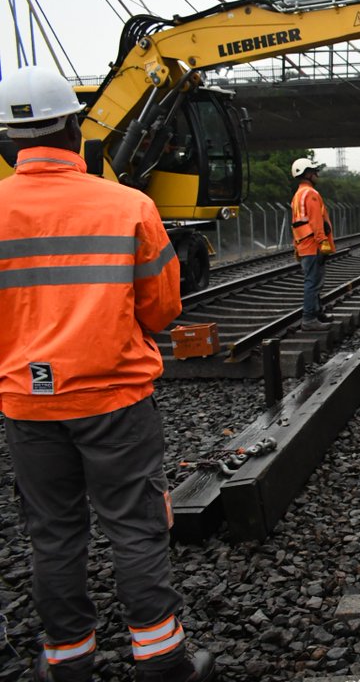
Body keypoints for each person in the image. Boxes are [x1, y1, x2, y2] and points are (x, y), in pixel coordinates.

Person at [0, 66, 215, 682]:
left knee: (53, 533)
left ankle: (67, 661)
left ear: (10, 141)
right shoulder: (128, 205)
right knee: (136, 525)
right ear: (74, 127)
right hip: (114, 397)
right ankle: (160, 659)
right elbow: (164, 309)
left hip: (28, 406)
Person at [289, 157, 335, 330]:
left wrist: (296, 247)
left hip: (304, 244)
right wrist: (323, 242)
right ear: (307, 174)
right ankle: (309, 319)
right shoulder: (311, 194)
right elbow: (316, 222)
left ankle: (317, 312)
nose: (316, 174)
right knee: (313, 282)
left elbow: (296, 223)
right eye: (314, 171)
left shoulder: (297, 195)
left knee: (313, 280)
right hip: (313, 245)